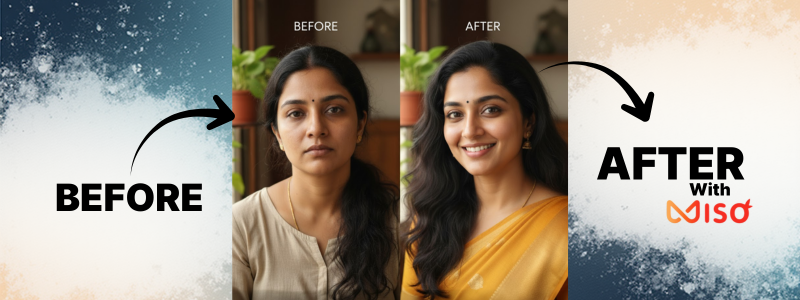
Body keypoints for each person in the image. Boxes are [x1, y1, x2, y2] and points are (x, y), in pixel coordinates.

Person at [232, 45, 402, 300]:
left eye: (334, 109)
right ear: (277, 133)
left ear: (360, 124)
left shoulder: (399, 222)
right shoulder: (242, 224)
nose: (316, 128)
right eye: (296, 113)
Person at [402, 41, 568, 300]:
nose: (470, 130)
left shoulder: (565, 230)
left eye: (490, 110)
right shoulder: (430, 217)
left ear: (529, 122)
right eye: (455, 114)